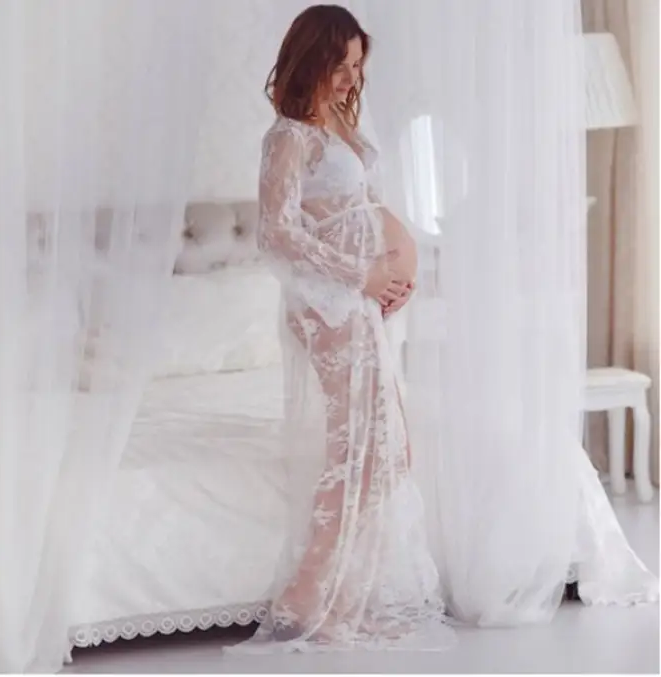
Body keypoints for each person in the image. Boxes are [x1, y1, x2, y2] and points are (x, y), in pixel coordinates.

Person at [228, 4, 456, 654]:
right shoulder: (288, 136)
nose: (353, 78)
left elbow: (362, 207)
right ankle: (307, 599)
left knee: (388, 450)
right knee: (359, 447)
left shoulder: (335, 122)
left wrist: (396, 275)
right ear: (312, 60)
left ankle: (337, 592)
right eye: (342, 65)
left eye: (358, 65)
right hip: (326, 303)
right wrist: (364, 273)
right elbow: (277, 231)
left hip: (357, 301)